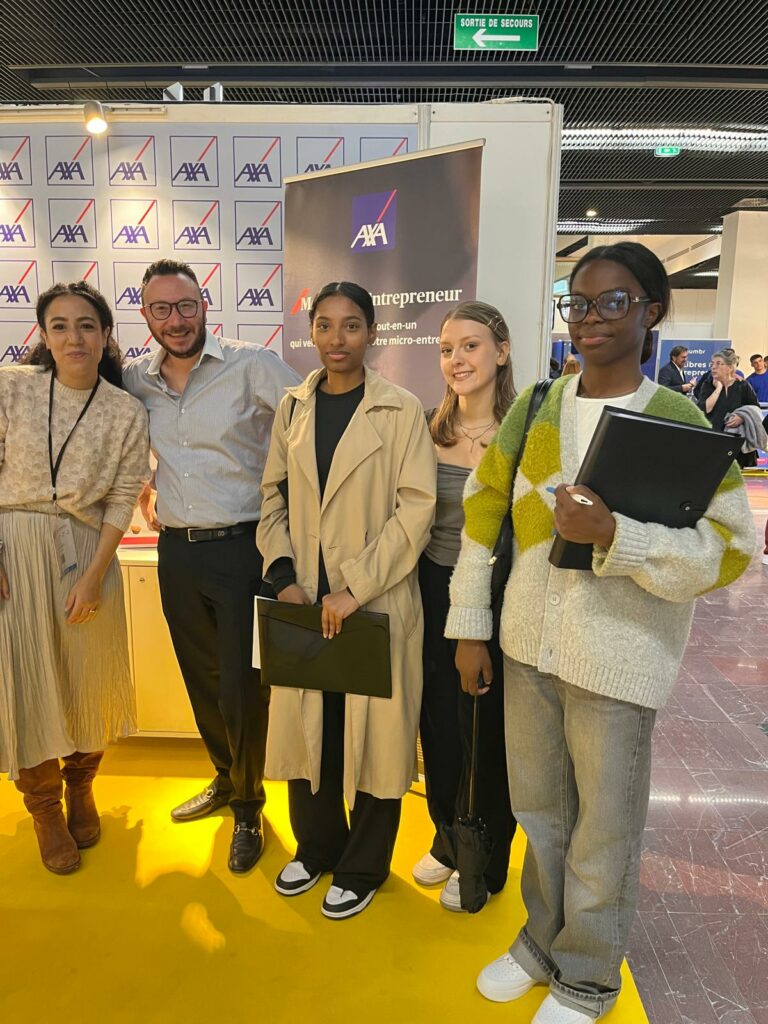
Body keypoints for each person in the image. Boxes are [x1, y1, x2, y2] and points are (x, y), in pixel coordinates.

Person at [445, 242, 754, 1023]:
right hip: (526, 650)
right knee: (541, 815)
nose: (590, 319)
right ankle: (541, 942)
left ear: (653, 311)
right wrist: (471, 626)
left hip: (620, 660)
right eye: (578, 303)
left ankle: (586, 976)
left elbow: (728, 550)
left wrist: (620, 535)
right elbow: (482, 516)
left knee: (603, 833)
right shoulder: (538, 406)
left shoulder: (676, 419)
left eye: (614, 302)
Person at [257, 281, 436, 920]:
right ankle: (316, 847)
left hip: (375, 601)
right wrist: (284, 575)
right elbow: (272, 495)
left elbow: (417, 510)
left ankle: (362, 865)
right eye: (325, 325)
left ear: (372, 333)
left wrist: (355, 586)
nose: (337, 339)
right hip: (305, 599)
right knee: (312, 730)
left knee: (376, 741)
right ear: (311, 331)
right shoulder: (292, 406)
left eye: (352, 325)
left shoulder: (400, 409)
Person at [122, 259, 300, 875]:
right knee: (201, 678)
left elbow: (308, 427)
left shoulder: (253, 365)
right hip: (177, 552)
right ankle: (225, 777)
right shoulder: (136, 379)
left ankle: (249, 807)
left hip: (243, 549)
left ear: (204, 307)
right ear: (146, 316)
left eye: (185, 306)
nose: (175, 320)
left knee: (242, 688)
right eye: (161, 310)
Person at [0, 281, 149, 874]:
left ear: (106, 334)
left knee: (86, 679)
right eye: (59, 325)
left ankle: (82, 784)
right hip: (16, 549)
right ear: (43, 334)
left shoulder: (125, 410)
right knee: (27, 681)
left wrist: (94, 575)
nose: (73, 337)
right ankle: (44, 808)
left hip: (89, 553)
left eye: (86, 325)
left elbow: (122, 496)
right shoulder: (12, 387)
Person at [413, 301, 516, 913]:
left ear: (501, 351)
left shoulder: (524, 432)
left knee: (489, 729)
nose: (456, 359)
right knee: (439, 723)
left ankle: (487, 854)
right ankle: (449, 837)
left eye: (470, 346)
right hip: (432, 588)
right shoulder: (426, 429)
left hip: (500, 597)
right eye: (447, 349)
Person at [697, 349, 760, 467]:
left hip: (737, 442)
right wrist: (718, 388)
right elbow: (705, 409)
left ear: (730, 368)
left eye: (719, 363)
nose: (713, 367)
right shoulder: (708, 385)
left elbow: (755, 407)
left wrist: (742, 417)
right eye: (712, 363)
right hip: (714, 439)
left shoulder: (742, 385)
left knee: (736, 475)